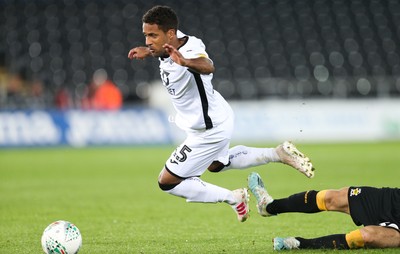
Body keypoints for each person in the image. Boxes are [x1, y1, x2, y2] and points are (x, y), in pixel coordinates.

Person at [127, 5, 315, 222]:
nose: (148, 40)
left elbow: (207, 66)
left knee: (167, 181)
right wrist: (147, 51)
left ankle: (234, 198)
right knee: (216, 165)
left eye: (152, 35)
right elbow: (162, 51)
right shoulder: (169, 45)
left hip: (208, 129)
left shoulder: (190, 50)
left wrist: (186, 63)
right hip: (217, 114)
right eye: (146, 35)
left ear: (170, 33)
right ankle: (278, 153)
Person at [247, 172, 400, 250]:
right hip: (394, 200)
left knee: (366, 237)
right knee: (333, 198)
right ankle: (269, 206)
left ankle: (299, 244)